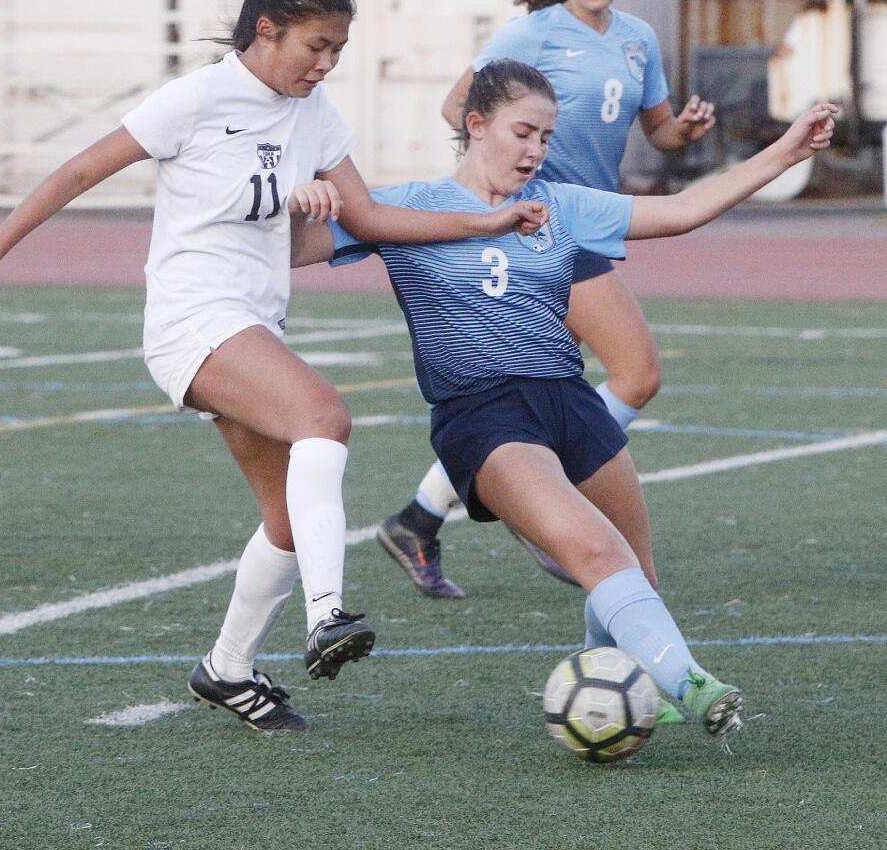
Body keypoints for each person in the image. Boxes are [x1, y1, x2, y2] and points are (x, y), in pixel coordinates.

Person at [0, 0, 547, 733]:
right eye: (315, 46)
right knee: (324, 413)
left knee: (288, 517)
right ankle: (326, 613)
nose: (325, 64)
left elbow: (371, 217)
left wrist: (480, 222)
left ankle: (225, 669)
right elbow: (81, 169)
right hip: (192, 320)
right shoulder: (199, 98)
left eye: (338, 50)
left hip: (253, 325)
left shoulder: (312, 110)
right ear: (267, 31)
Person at [302, 59, 837, 738]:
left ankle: (602, 691)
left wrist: (786, 150)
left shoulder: (561, 204)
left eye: (546, 137)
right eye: (522, 132)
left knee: (634, 576)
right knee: (598, 554)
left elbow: (679, 211)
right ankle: (692, 685)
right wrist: (298, 197)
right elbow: (293, 249)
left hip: (570, 403)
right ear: (474, 124)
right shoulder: (403, 209)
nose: (535, 150)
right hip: (483, 415)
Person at [378, 0, 718, 598]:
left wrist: (683, 130)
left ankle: (426, 514)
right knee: (634, 371)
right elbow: (459, 108)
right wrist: (501, 194)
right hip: (541, 230)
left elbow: (656, 134)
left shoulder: (637, 39)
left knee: (567, 384)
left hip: (580, 223)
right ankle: (541, 504)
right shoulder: (531, 36)